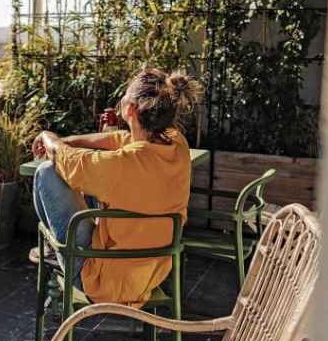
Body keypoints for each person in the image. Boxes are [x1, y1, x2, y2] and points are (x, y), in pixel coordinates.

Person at [30, 68, 201, 306]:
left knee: (46, 172)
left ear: (130, 108)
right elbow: (121, 138)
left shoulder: (123, 164)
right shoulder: (177, 143)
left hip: (106, 281)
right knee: (93, 189)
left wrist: (49, 137)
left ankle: (54, 249)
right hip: (151, 274)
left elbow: (67, 161)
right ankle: (54, 250)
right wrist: (69, 140)